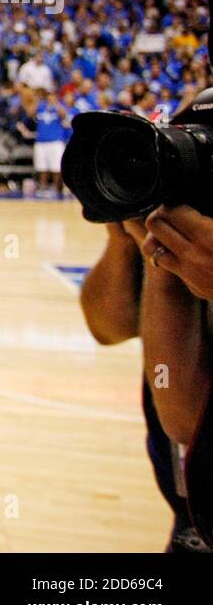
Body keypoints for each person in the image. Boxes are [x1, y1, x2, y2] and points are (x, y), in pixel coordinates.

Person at [80, 221, 210, 552]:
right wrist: (123, 238)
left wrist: (164, 273)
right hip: (189, 518)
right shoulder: (179, 216)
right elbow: (108, 327)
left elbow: (184, 422)